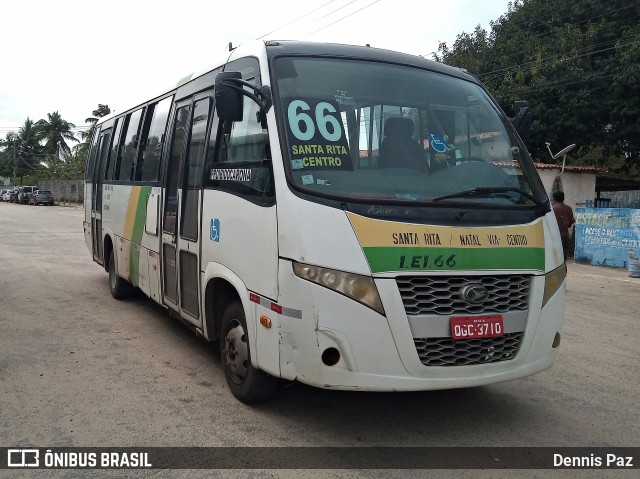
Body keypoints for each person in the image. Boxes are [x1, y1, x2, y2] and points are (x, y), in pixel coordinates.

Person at [552, 190, 575, 261]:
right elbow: (571, 222)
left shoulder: (553, 209)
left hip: (554, 234)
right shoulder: (569, 208)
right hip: (565, 233)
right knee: (564, 253)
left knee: (554, 255)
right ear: (563, 198)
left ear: (554, 198)